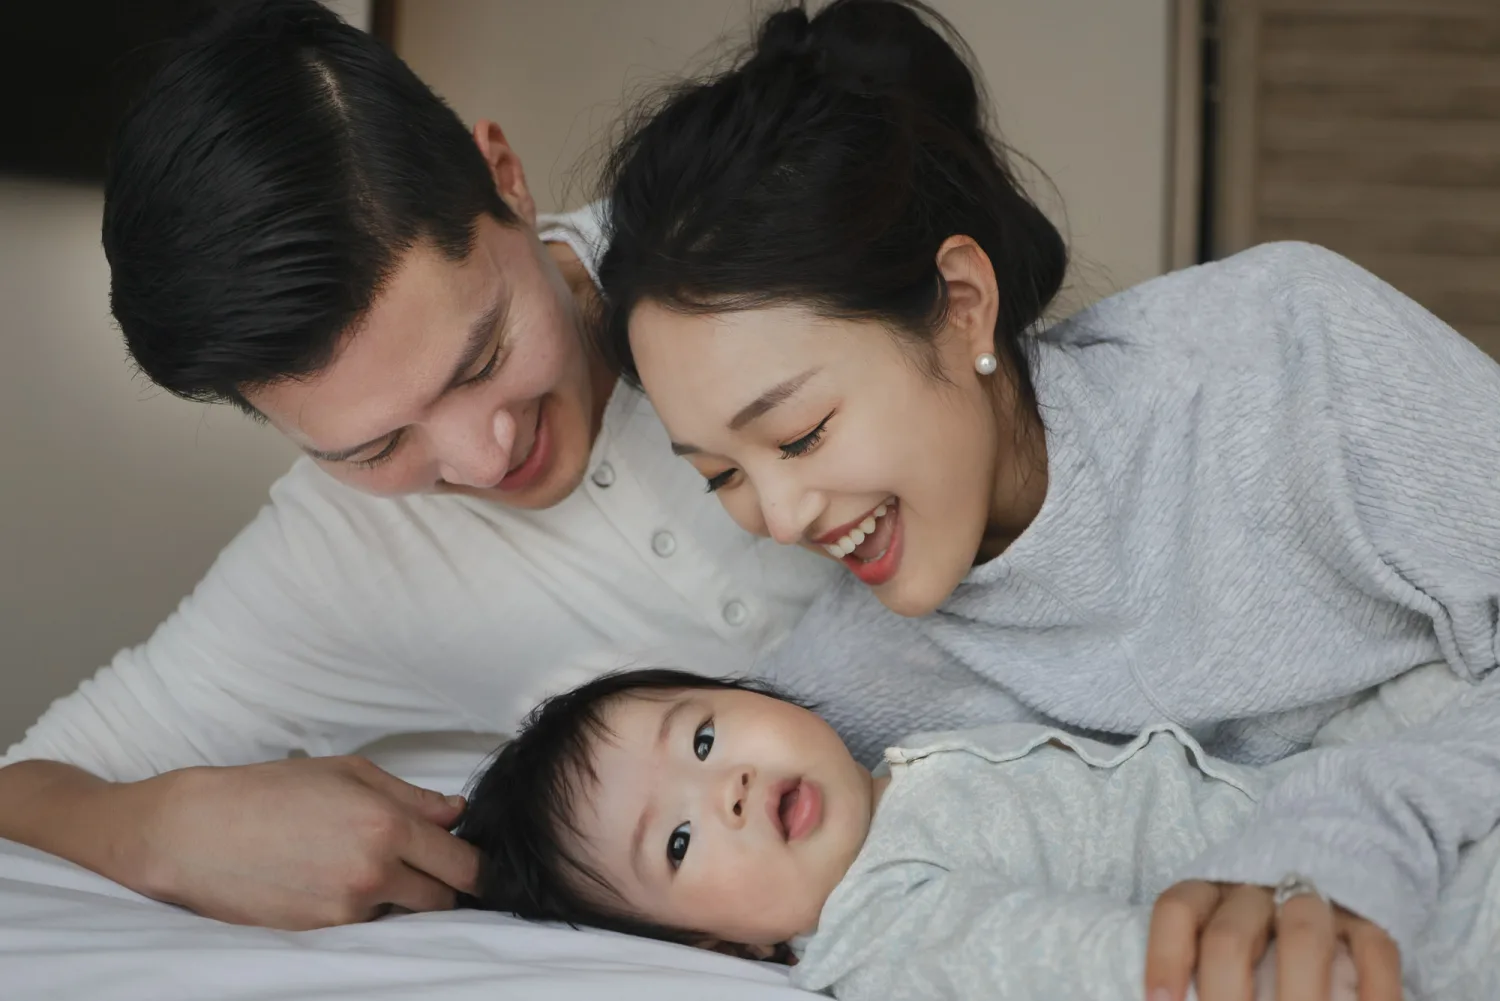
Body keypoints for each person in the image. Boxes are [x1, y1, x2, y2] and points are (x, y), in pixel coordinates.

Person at [591, 2, 1500, 1000]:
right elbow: (601, 821)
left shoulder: (1285, 353)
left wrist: (1348, 830)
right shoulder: (836, 703)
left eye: (799, 431)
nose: (781, 513)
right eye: (719, 473)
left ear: (963, 303)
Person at [0, 0, 841, 931]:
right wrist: (163, 827)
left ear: (506, 179)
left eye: (482, 357)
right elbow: (25, 786)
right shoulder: (333, 558)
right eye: (376, 446)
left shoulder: (744, 240)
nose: (484, 457)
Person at [457, 663, 1500, 1001]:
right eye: (675, 844)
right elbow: (1098, 967)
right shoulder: (887, 925)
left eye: (705, 731)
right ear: (723, 948)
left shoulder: (903, 757)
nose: (723, 787)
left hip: (1337, 829)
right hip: (1357, 946)